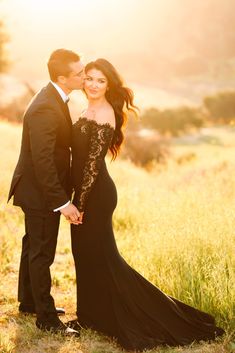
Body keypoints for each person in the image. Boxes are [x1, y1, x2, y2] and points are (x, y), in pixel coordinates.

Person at [68, 58, 224, 350]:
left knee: (105, 259)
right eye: (89, 78)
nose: (93, 85)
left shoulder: (104, 114)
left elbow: (90, 166)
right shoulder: (86, 108)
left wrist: (80, 203)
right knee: (84, 254)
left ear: (108, 85)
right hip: (86, 194)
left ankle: (144, 317)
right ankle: (89, 316)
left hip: (96, 195)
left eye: (100, 81)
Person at [8, 49, 84, 336]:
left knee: (32, 246)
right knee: (42, 253)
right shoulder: (45, 106)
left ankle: (29, 302)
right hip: (40, 192)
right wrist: (62, 202)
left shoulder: (53, 96)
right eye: (79, 73)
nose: (84, 75)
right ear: (62, 78)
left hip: (38, 189)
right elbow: (42, 160)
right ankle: (47, 318)